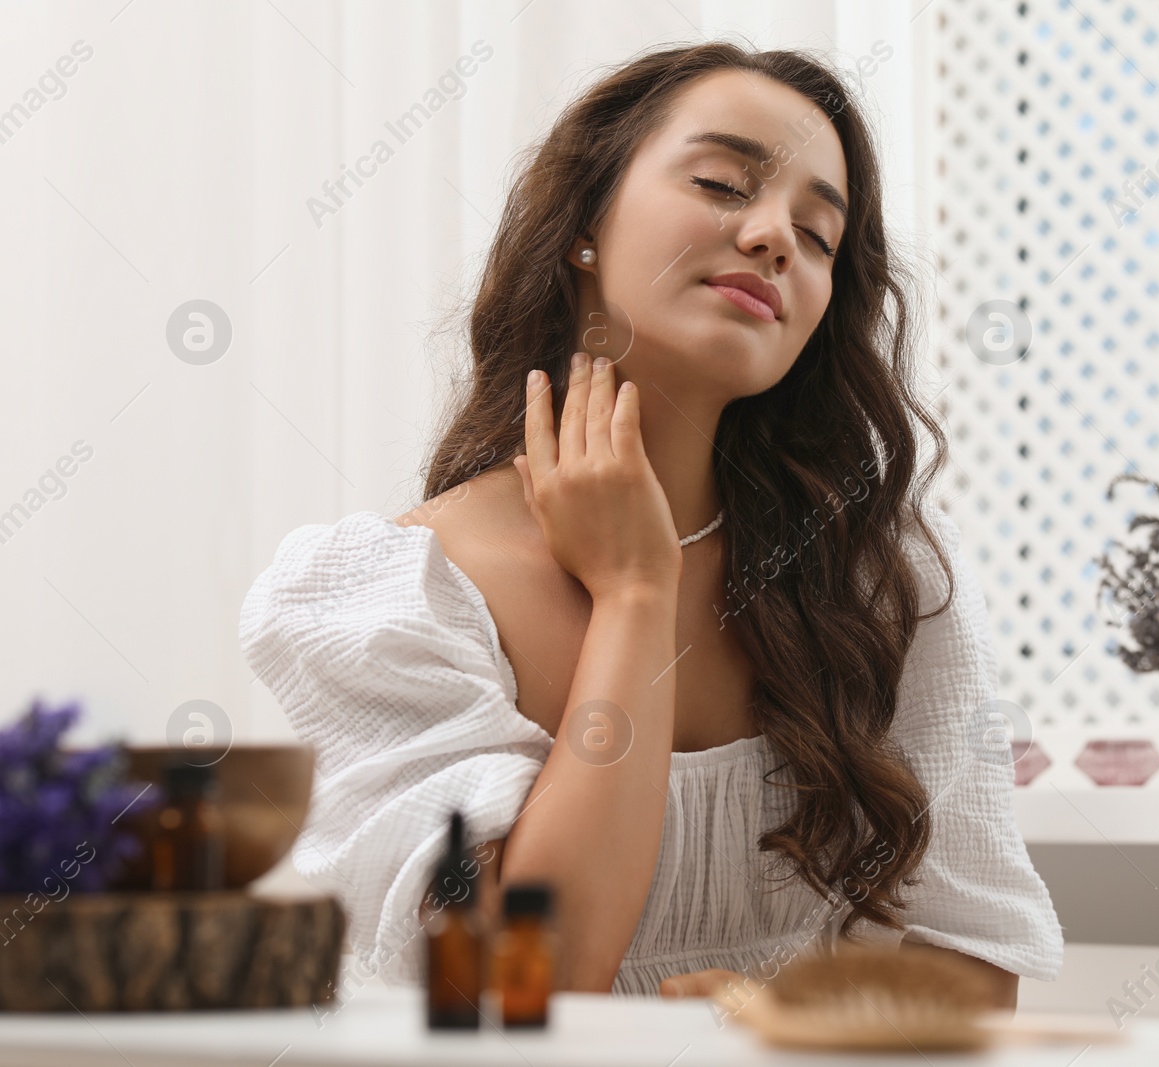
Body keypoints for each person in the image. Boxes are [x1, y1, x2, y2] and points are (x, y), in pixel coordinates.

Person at [238, 40, 1062, 1006]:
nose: (775, 237)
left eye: (820, 234)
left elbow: (975, 965)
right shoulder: (383, 596)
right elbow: (522, 979)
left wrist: (773, 1021)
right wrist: (636, 594)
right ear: (585, 221)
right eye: (722, 182)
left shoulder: (881, 577)